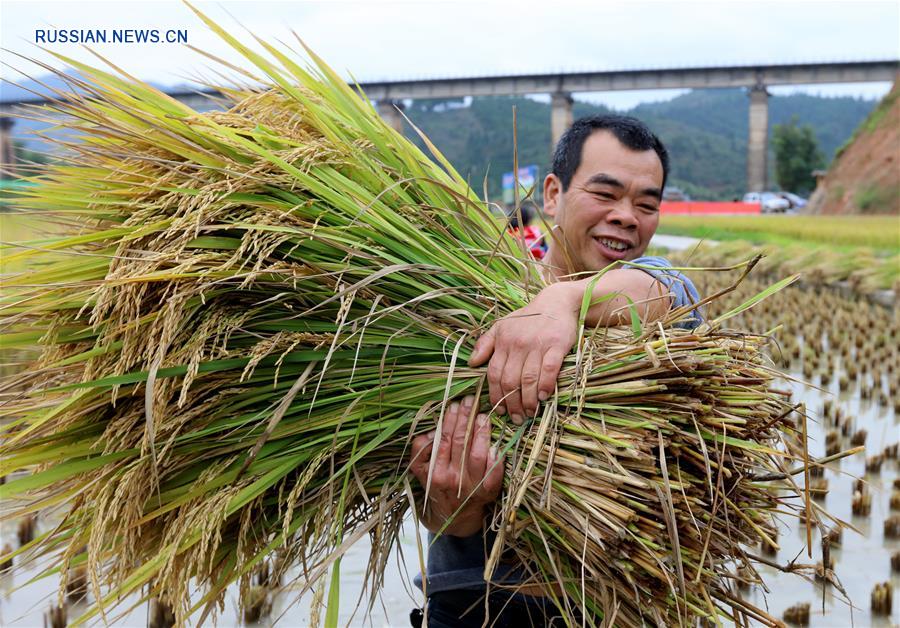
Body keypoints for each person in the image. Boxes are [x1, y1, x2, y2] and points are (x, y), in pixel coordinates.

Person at [408, 114, 702, 627]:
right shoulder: (465, 304)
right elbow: (426, 501)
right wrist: (458, 510)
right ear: (552, 193)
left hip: (620, 608)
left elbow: (670, 292)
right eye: (605, 193)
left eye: (647, 205)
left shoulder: (653, 293)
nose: (627, 217)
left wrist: (564, 301)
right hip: (471, 602)